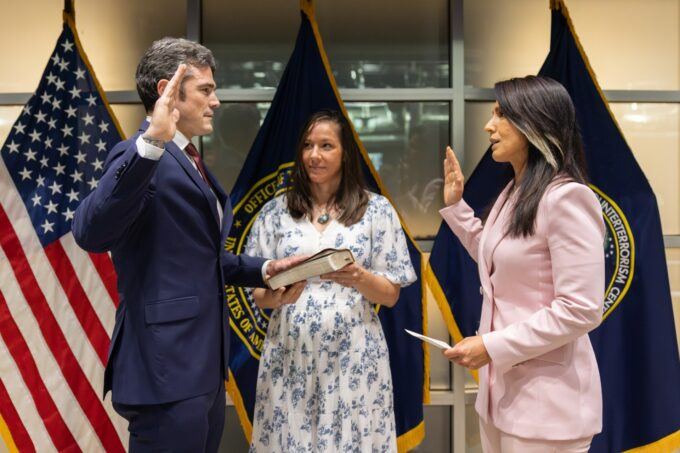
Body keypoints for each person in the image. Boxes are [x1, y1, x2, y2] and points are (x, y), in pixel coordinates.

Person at [72, 38, 302, 452]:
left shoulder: (189, 161)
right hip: (166, 373)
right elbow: (91, 231)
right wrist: (150, 144)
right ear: (168, 90)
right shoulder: (139, 155)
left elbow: (196, 258)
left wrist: (265, 270)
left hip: (202, 370)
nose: (215, 102)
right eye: (206, 90)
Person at [439, 76, 605, 452]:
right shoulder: (516, 192)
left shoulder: (567, 198)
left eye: (501, 114)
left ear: (534, 122)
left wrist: (492, 346)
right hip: (502, 398)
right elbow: (497, 258)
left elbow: (581, 309)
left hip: (548, 406)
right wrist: (456, 207)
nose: (489, 126)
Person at [245, 110, 416, 452]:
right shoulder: (275, 212)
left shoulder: (377, 211)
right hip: (289, 353)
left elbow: (391, 295)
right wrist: (278, 296)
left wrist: (358, 277)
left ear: (345, 153)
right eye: (307, 145)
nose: (314, 155)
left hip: (354, 356)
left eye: (326, 146)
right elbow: (257, 294)